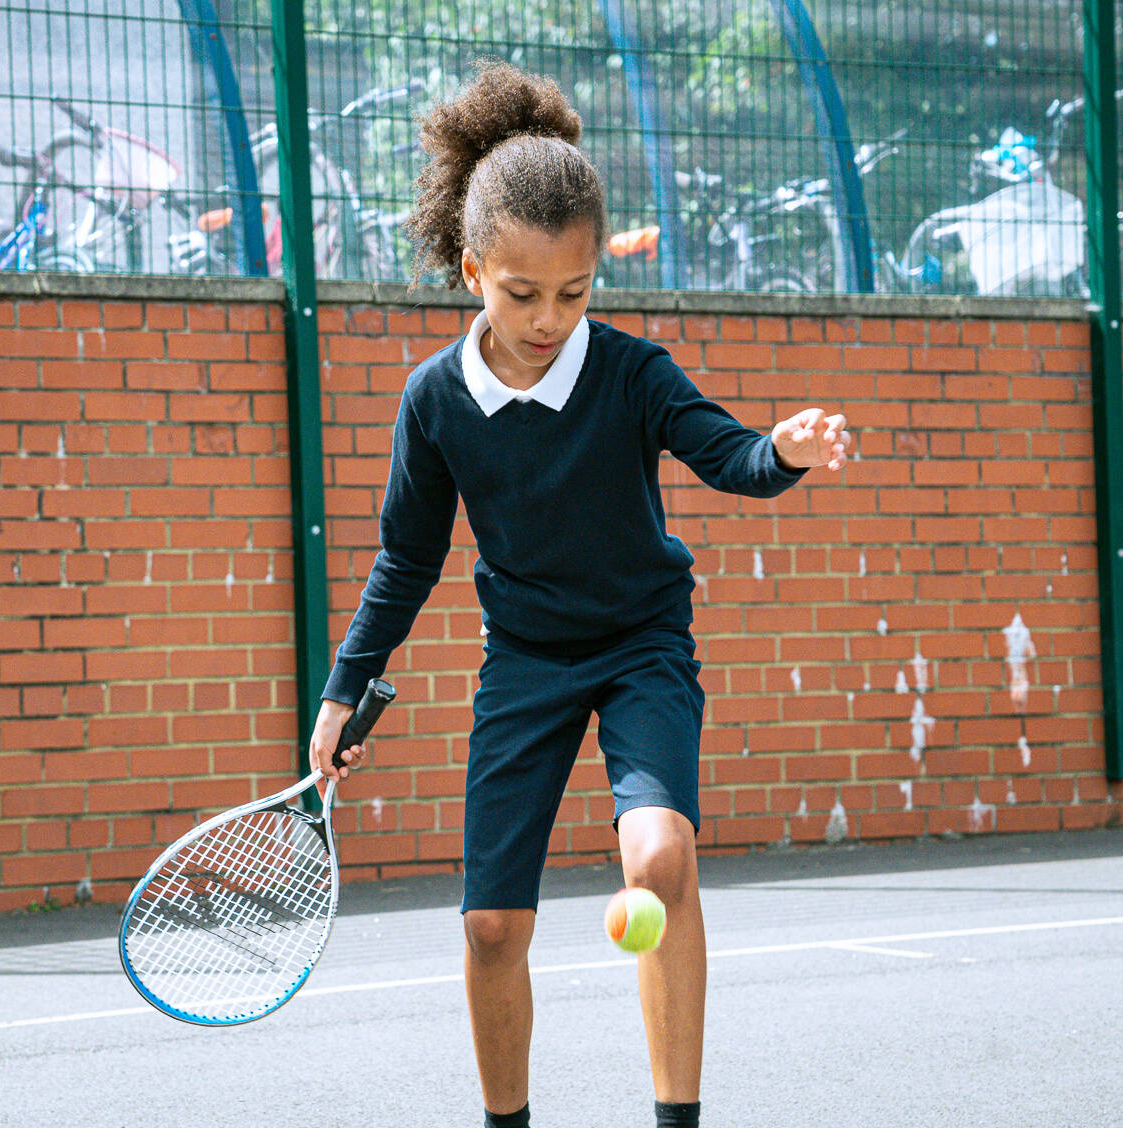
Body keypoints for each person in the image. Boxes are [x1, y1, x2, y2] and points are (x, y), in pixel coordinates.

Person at [307, 61, 849, 1128]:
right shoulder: (434, 403)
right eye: (521, 293)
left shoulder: (632, 375)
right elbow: (404, 558)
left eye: (574, 291)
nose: (550, 317)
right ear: (472, 271)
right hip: (525, 661)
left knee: (657, 857)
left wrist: (780, 450)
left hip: (641, 644)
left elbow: (729, 457)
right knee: (490, 929)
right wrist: (343, 690)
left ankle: (674, 1118)